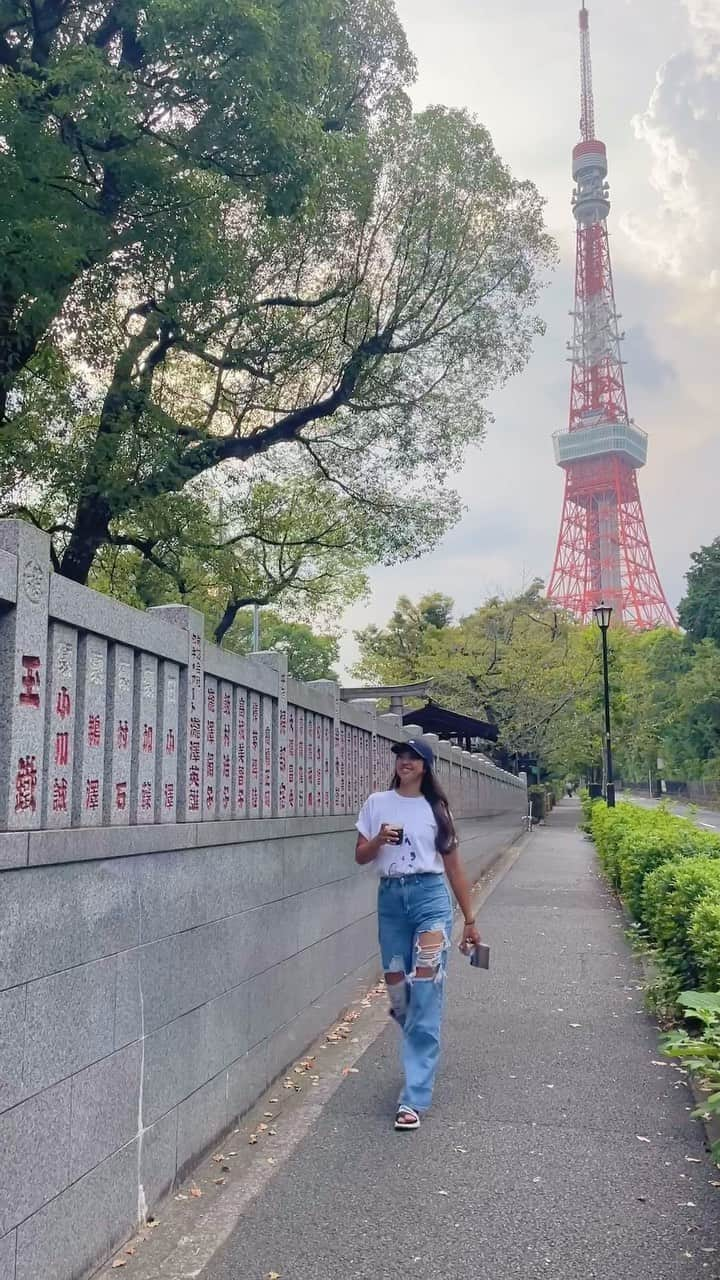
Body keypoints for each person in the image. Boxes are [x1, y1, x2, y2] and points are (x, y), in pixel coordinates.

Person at [355, 739, 482, 1130]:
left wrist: (470, 919)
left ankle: (413, 1098)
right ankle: (414, 1028)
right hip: (392, 900)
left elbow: (454, 868)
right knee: (399, 989)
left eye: (413, 758)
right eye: (401, 757)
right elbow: (360, 855)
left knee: (426, 987)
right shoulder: (377, 803)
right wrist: (378, 840)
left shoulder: (436, 809)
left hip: (429, 898)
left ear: (425, 767)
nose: (405, 762)